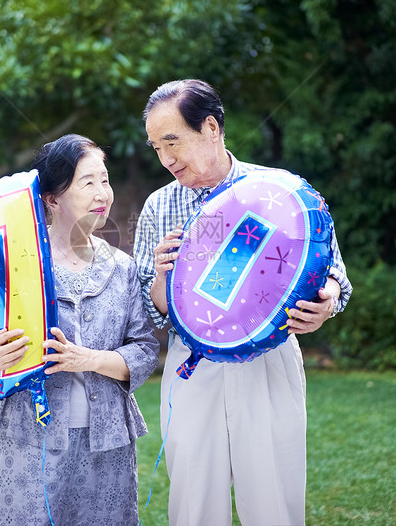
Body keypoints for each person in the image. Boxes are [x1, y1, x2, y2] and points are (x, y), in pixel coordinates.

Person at [133, 79, 353, 526]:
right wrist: (161, 278)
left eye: (172, 141)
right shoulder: (160, 206)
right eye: (156, 147)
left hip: (269, 360)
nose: (166, 159)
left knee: (274, 499)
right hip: (192, 364)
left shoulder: (278, 193)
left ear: (211, 127)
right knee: (194, 503)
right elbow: (151, 309)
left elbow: (334, 274)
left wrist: (326, 302)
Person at [0, 134, 160, 526]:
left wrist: (90, 360)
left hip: (108, 443)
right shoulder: (17, 268)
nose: (102, 192)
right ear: (53, 198)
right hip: (32, 438)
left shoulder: (121, 268)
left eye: (105, 180)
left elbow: (144, 349)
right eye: (87, 182)